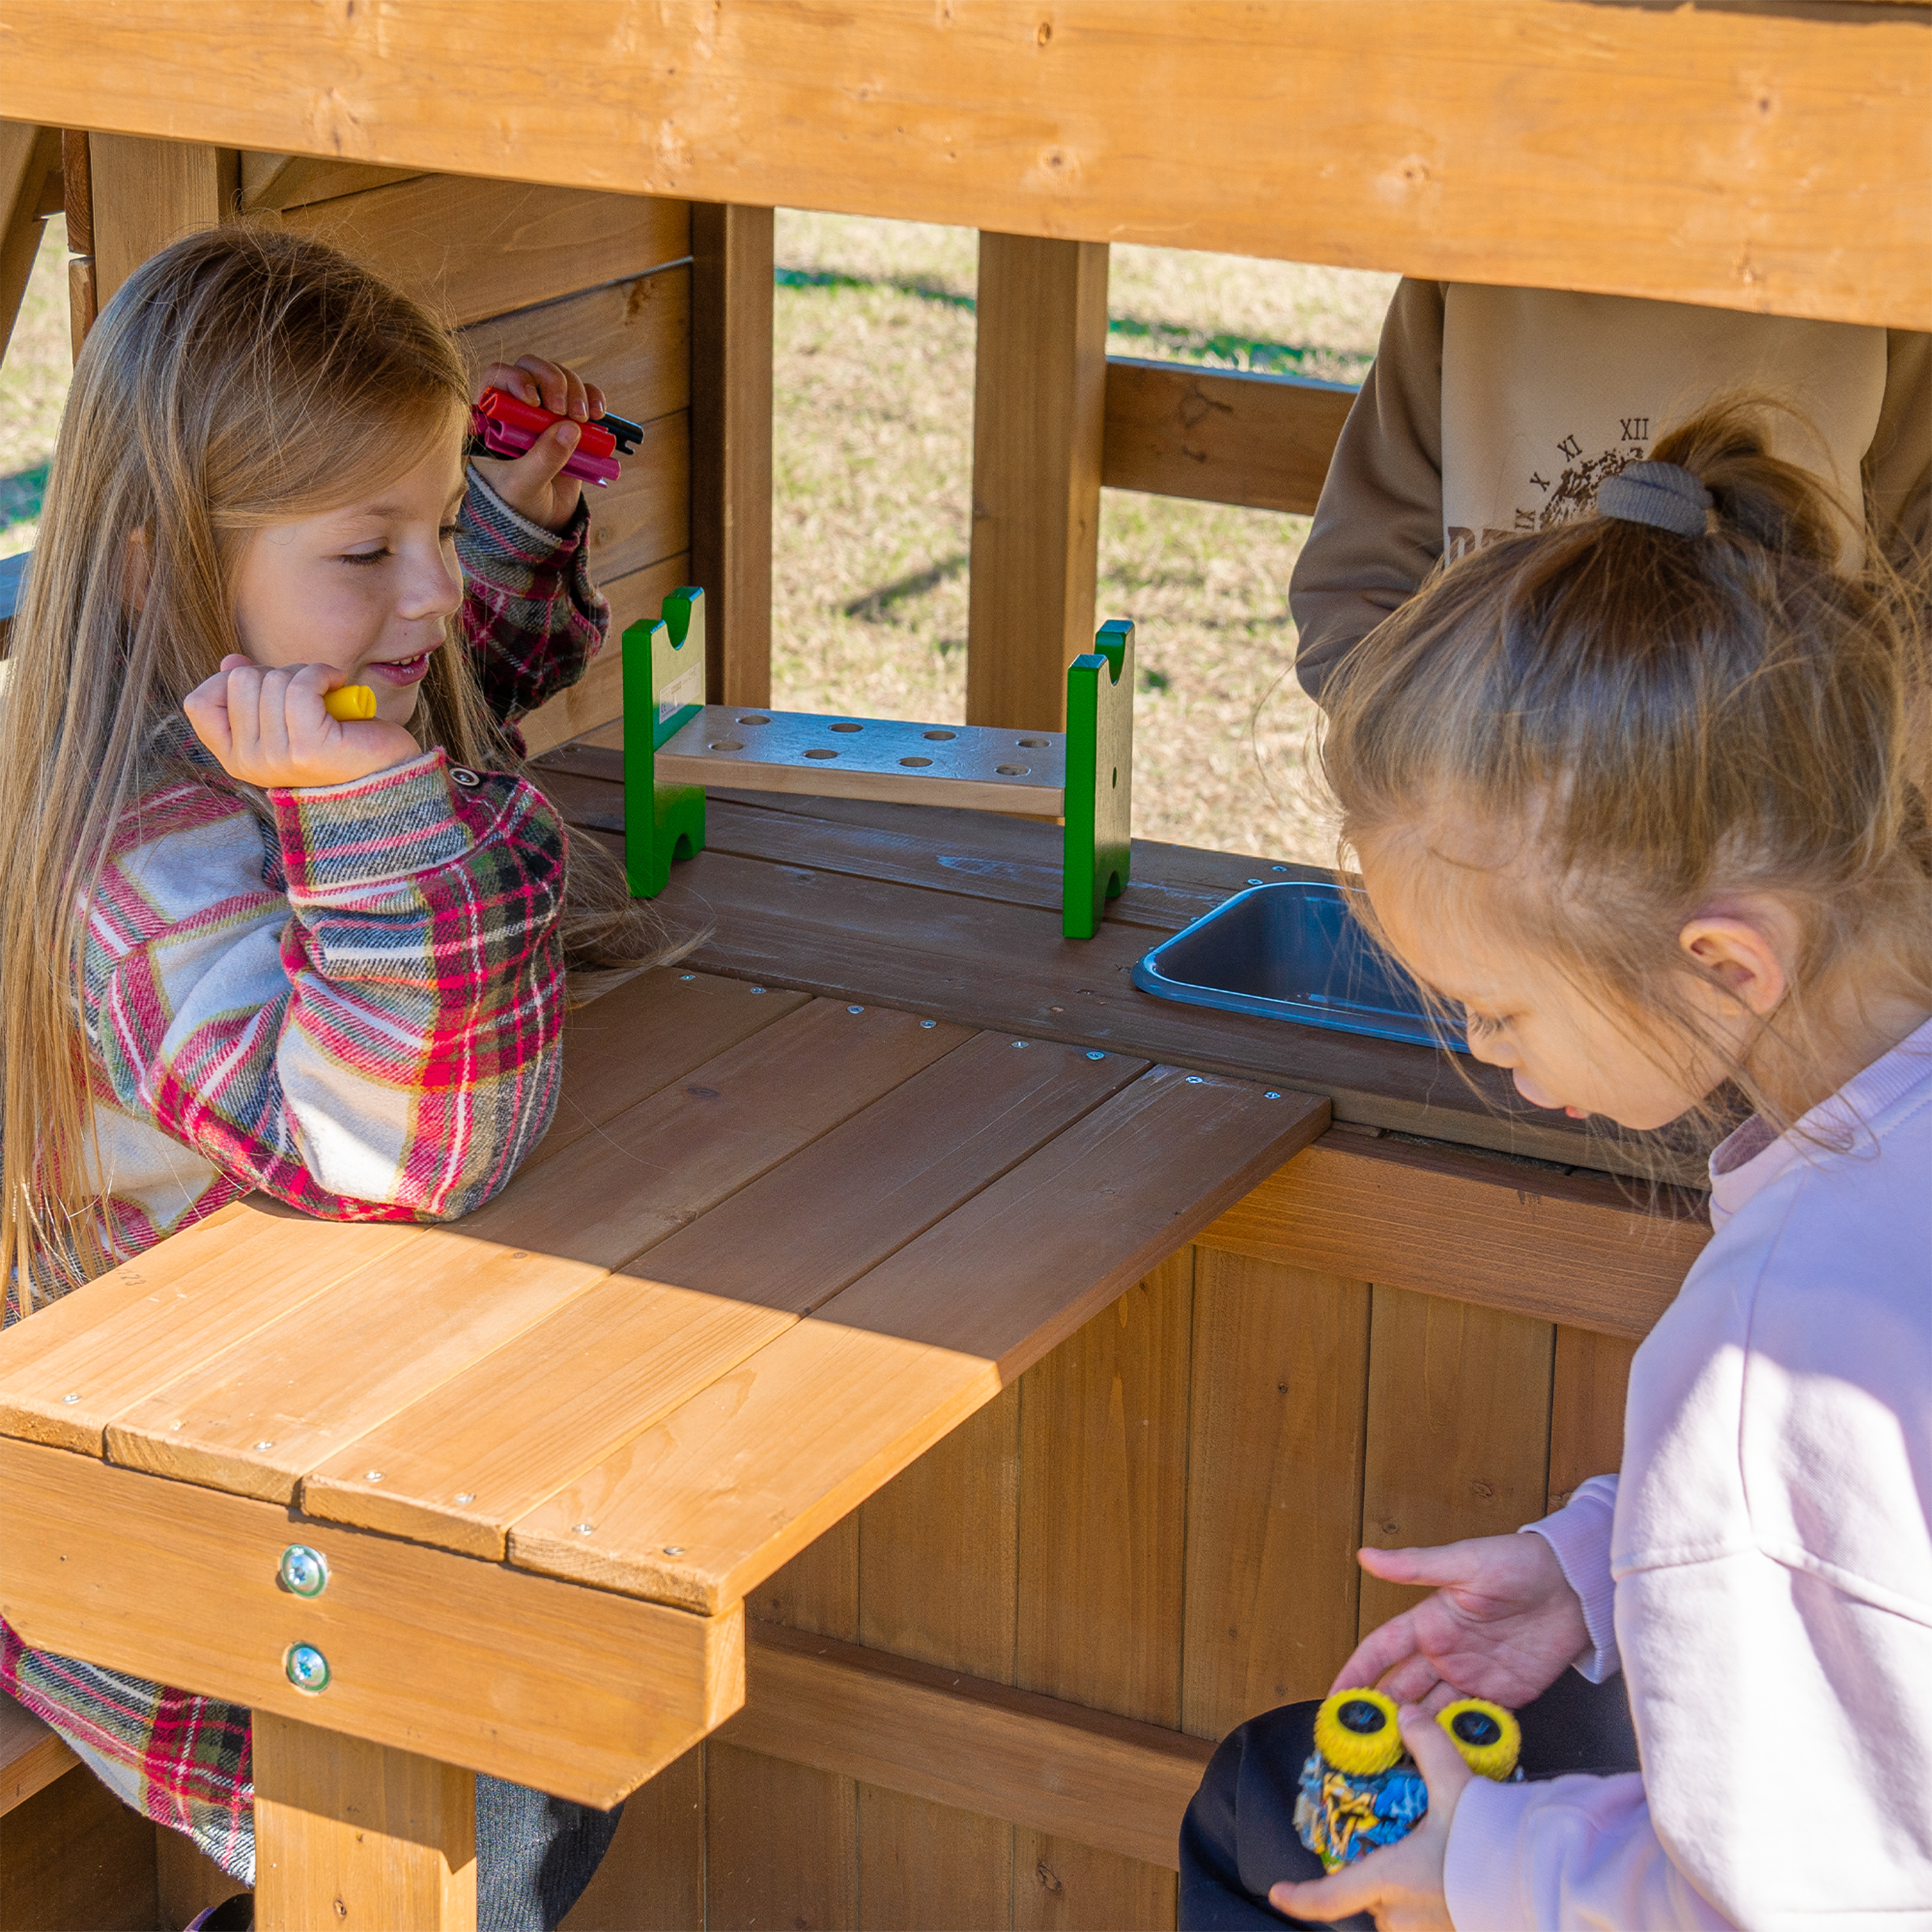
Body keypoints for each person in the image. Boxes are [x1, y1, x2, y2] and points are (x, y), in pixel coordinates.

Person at [0, 226, 681, 1931]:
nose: (432, 590)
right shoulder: (141, 870)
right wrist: (372, 817)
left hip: (309, 1420)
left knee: (554, 1738)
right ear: (164, 570)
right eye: (372, 545)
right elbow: (391, 1146)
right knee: (472, 1820)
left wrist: (508, 539)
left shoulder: (290, 694)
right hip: (132, 1527)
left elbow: (459, 692)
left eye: (438, 527)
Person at [1182, 404, 1932, 1927]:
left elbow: (1803, 1902)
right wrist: (1597, 1567)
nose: (1494, 1054)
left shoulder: (1761, 1349)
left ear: (1723, 964)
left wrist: (1476, 1865)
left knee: (1274, 1827)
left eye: (1501, 1006)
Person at [1289, 280, 1932, 706]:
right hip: (1489, 814)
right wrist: (1454, 788)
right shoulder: (1465, 269)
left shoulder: (1888, 283)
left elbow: (1915, 616)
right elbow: (1358, 596)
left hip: (1782, 835)